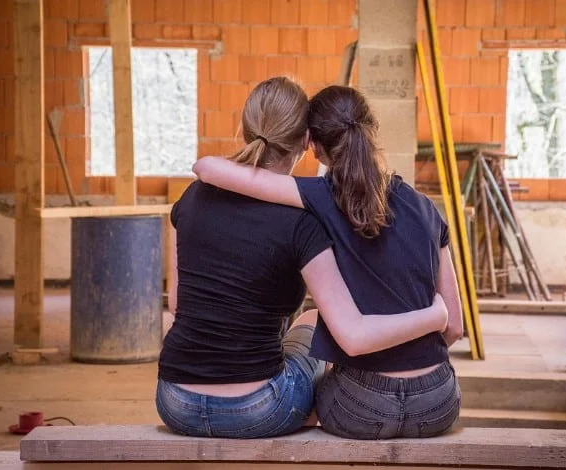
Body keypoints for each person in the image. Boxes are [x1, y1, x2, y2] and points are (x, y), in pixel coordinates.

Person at [157, 77, 449, 439]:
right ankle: (305, 409)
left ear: (247, 128)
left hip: (174, 400)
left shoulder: (189, 200)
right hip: (260, 410)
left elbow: (177, 305)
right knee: (313, 321)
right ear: (305, 141)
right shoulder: (306, 219)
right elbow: (354, 332)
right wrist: (434, 315)